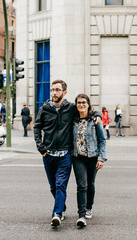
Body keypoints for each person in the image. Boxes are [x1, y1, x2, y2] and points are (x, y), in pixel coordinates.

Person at [33, 80, 101, 228]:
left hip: (65, 154)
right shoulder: (44, 108)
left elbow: (86, 110)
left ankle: (56, 214)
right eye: (52, 90)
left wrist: (97, 114)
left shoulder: (70, 108)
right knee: (53, 187)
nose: (54, 93)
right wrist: (41, 148)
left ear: (64, 92)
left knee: (60, 185)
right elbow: (37, 128)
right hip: (48, 154)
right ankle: (62, 207)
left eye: (57, 90)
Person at [72, 94, 107, 227]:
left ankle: (88, 208)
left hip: (93, 157)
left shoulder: (95, 120)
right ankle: (81, 215)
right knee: (82, 185)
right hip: (77, 157)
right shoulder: (73, 120)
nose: (81, 105)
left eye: (84, 102)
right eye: (79, 103)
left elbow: (102, 140)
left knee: (90, 183)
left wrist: (101, 158)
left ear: (88, 104)